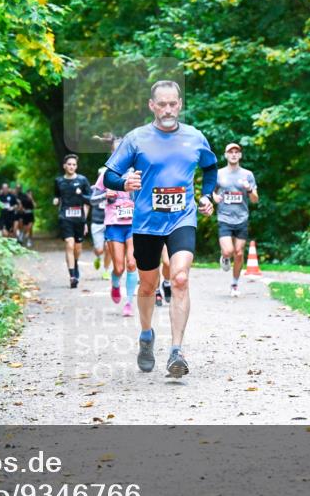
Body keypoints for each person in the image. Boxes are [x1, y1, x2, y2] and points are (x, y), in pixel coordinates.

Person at [103, 80, 218, 378]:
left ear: (180, 104)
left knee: (179, 279)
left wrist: (206, 196)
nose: (168, 109)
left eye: (173, 103)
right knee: (147, 286)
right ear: (151, 106)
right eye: (162, 104)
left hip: (182, 218)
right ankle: (146, 335)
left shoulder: (194, 137)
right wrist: (124, 183)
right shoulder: (136, 138)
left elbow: (210, 167)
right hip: (146, 223)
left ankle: (177, 351)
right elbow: (110, 176)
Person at [91, 137, 138, 317]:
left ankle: (129, 303)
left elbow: (145, 197)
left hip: (132, 224)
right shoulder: (106, 174)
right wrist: (105, 196)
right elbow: (92, 198)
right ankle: (116, 284)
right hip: (114, 224)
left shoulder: (135, 173)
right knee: (119, 267)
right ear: (112, 153)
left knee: (132, 263)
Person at [213, 142, 258, 297]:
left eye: (236, 152)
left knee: (239, 253)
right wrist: (214, 196)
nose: (233, 154)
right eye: (230, 152)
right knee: (229, 250)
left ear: (240, 155)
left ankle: (234, 283)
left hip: (242, 218)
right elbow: (211, 191)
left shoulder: (247, 175)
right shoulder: (218, 174)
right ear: (225, 155)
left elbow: (255, 199)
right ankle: (225, 257)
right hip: (224, 217)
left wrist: (249, 189)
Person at [53, 154, 91, 288]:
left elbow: (89, 201)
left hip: (79, 218)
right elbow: (57, 195)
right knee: (69, 244)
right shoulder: (58, 181)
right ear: (64, 166)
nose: (71, 167)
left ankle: (75, 263)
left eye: (74, 164)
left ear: (76, 166)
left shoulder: (82, 180)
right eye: (69, 164)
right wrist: (56, 200)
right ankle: (72, 276)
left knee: (77, 247)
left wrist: (85, 220)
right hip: (65, 217)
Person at [89, 167, 111, 278]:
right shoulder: (93, 189)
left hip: (109, 222)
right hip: (96, 223)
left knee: (108, 247)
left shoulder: (114, 188)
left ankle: (106, 270)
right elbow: (89, 202)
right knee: (100, 250)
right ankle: (98, 256)